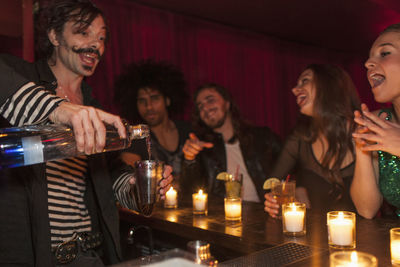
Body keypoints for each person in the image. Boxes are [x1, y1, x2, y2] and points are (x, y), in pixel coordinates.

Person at [0, 1, 172, 266]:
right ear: (54, 35)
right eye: (84, 32)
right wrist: (56, 108)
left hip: (88, 256)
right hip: (34, 256)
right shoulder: (21, 78)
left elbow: (110, 180)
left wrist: (138, 188)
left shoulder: (95, 110)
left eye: (102, 37)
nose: (96, 45)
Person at [264, 64, 361, 218]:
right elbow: (271, 183)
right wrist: (275, 201)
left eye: (305, 80)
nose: (294, 89)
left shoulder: (364, 132)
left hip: (367, 239)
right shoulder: (300, 139)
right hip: (315, 239)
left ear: (329, 85)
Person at [181, 83, 281, 202]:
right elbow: (188, 192)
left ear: (227, 103)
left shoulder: (262, 137)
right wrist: (189, 159)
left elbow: (292, 168)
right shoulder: (201, 147)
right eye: (200, 106)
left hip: (265, 212)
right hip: (222, 216)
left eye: (210, 100)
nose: (205, 108)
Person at [114, 59, 190, 191]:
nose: (148, 106)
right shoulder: (135, 137)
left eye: (154, 98)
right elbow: (130, 181)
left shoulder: (187, 131)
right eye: (142, 100)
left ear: (167, 100)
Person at [351, 23, 400, 219]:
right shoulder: (380, 122)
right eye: (370, 57)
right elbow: (367, 210)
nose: (368, 63)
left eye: (385, 53)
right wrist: (362, 147)